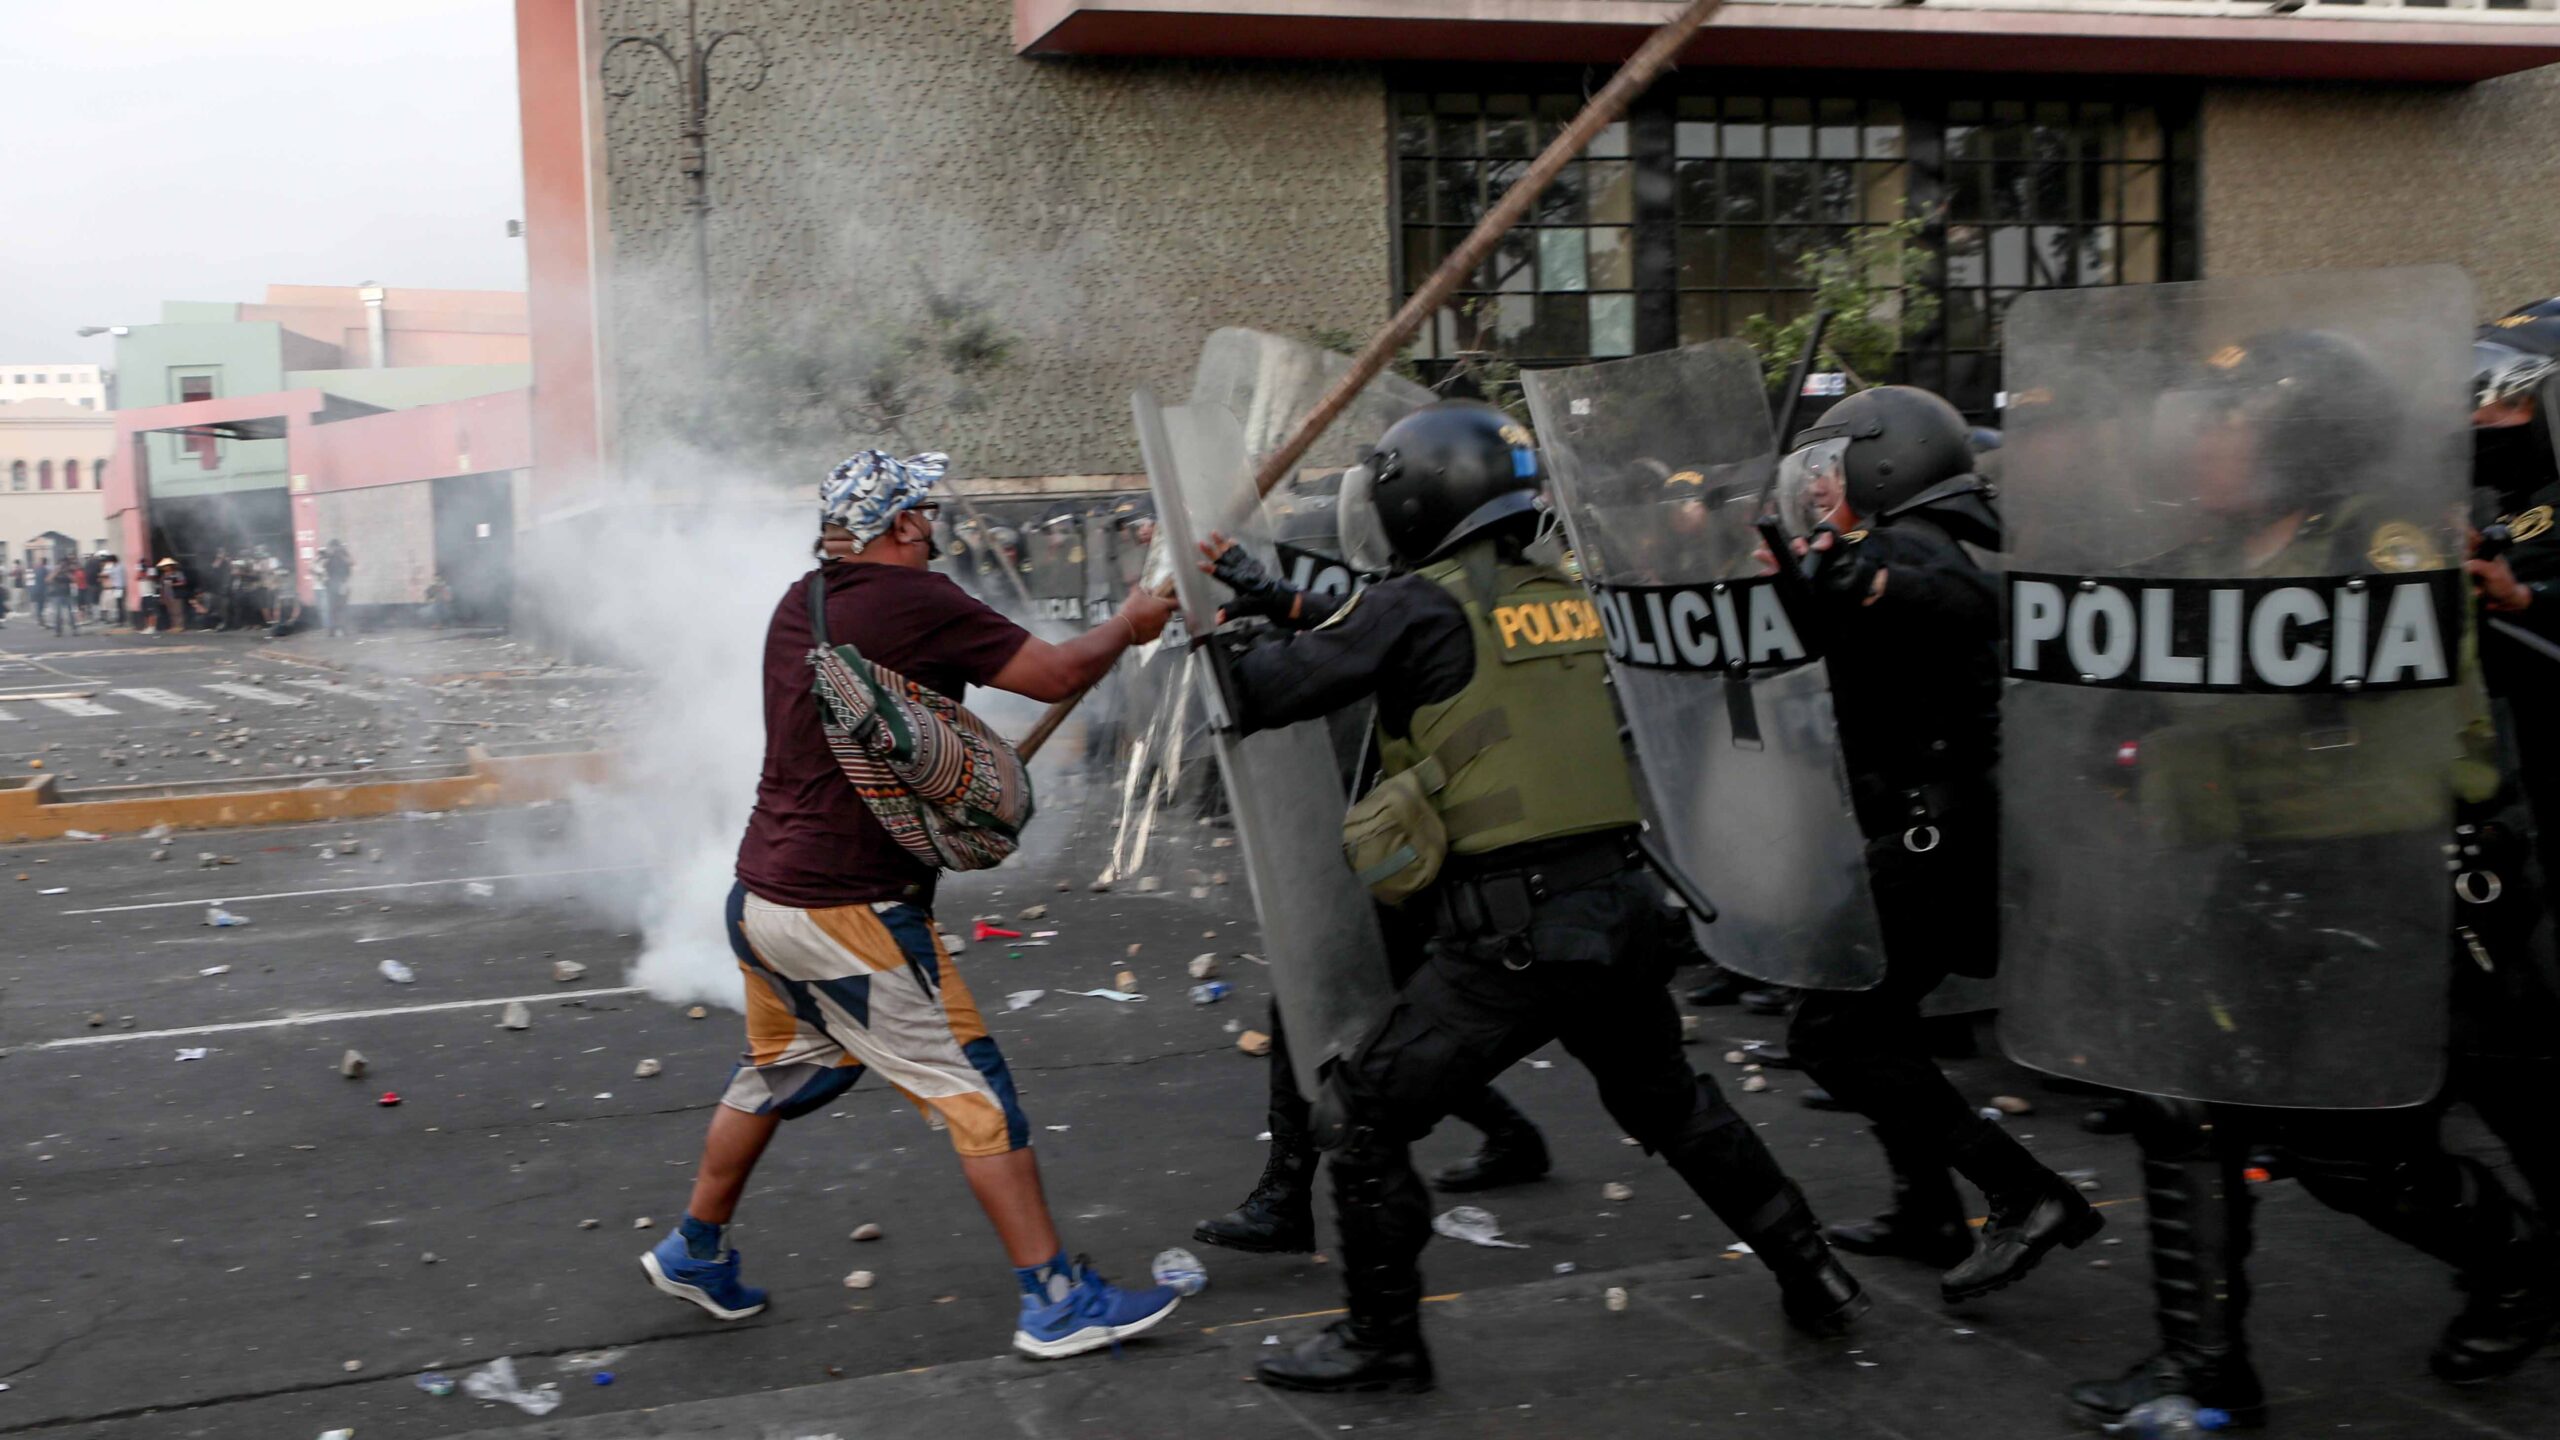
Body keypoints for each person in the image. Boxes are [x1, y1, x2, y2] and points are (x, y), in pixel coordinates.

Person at [1206, 402, 1866, 1395]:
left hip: (1512, 937)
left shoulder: (1418, 603)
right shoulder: (1558, 591)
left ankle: (1382, 1340)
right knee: (1675, 1106)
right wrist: (1279, 598)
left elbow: (1269, 691)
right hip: (1621, 909)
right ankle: (1814, 1271)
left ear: (1417, 503)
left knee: (1363, 1117)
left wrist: (1218, 639)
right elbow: (1400, 642)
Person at [2064, 330, 2559, 1428]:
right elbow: (2127, 712)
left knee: (2349, 1149)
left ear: (2304, 437)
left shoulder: (2381, 544)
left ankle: (2520, 1263)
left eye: (2230, 423)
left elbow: (2338, 681)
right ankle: (2201, 1366)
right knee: (2185, 1106)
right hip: (2252, 874)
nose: (2199, 443)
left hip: (2397, 882)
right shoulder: (2198, 560)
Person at [641, 448, 1190, 1362]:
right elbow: (1056, 675)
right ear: (899, 524)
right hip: (849, 915)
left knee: (780, 1071)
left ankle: (694, 1249)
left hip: (761, 899)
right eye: (924, 511)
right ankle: (1055, 1303)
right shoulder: (919, 600)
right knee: (979, 1097)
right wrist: (1131, 623)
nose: (934, 525)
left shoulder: (800, 603)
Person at [1769, 387, 2099, 1301]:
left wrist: (1876, 583)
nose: (1819, 487)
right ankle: (1927, 1209)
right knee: (1876, 1025)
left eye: (1834, 469)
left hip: (1931, 837)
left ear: (1888, 464)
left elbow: (1965, 600)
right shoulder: (1881, 549)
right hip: (1919, 828)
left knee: (1835, 1035)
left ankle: (2024, 1192)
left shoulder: (1909, 551)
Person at [321, 539, 353, 637]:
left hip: (339, 582)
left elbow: (351, 562)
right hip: (335, 583)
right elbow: (323, 566)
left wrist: (342, 553)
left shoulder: (342, 554)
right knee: (335, 607)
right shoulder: (330, 556)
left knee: (339, 607)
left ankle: (341, 629)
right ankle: (335, 629)